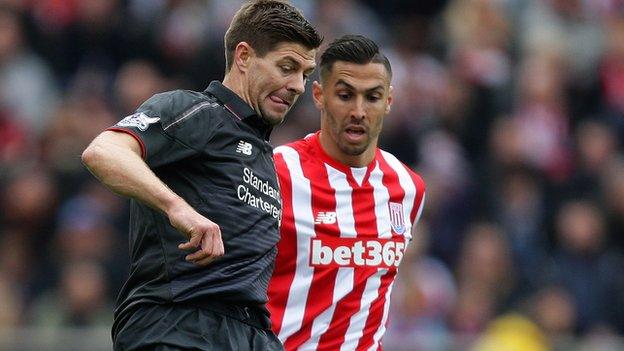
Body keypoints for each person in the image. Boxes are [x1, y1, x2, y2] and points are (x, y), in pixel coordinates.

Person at [81, 1, 322, 350]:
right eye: (287, 67)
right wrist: (177, 207)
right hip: (178, 325)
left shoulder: (264, 155)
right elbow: (104, 151)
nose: (298, 85)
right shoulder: (196, 111)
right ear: (243, 56)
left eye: (304, 73)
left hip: (250, 333)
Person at [267, 35, 426, 350]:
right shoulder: (277, 172)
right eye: (344, 95)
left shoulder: (408, 189)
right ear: (319, 95)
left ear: (389, 101)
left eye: (372, 97)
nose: (358, 111)